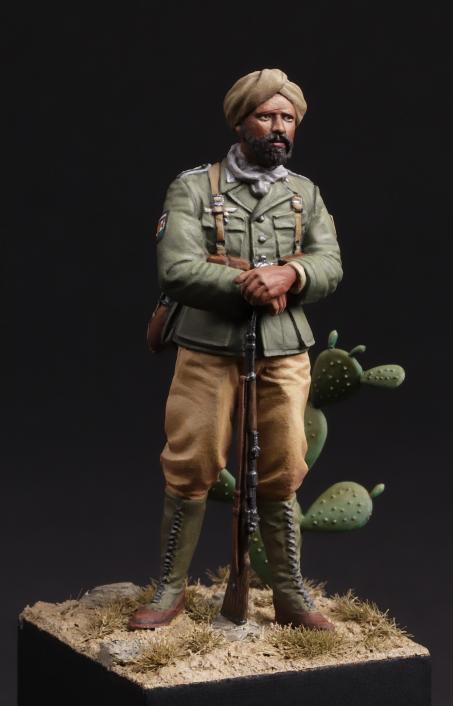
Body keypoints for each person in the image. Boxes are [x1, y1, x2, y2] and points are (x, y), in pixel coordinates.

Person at [129, 69, 342, 632]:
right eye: (266, 116)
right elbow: (177, 269)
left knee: (285, 465)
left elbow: (329, 263)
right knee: (192, 460)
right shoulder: (194, 188)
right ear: (241, 122)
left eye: (287, 118)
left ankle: (289, 592)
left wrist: (291, 274)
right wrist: (247, 284)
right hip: (209, 346)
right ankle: (171, 585)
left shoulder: (304, 194)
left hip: (284, 348)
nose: (279, 128)